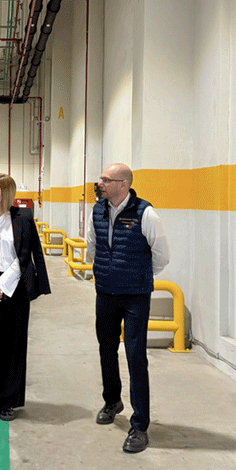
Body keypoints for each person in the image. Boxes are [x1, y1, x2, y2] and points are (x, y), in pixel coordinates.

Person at [86, 163, 170, 453]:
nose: (101, 184)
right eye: (101, 179)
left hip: (135, 296)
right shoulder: (97, 210)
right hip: (105, 293)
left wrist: (138, 277)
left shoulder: (145, 213)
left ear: (123, 184)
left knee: (136, 356)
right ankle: (112, 401)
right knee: (106, 349)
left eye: (106, 180)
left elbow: (161, 255)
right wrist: (103, 273)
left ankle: (139, 425)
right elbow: (92, 246)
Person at [0, 173, 51, 421]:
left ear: (6, 193)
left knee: (11, 346)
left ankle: (6, 401)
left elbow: (23, 257)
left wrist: (1, 286)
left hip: (14, 288)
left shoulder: (23, 218)